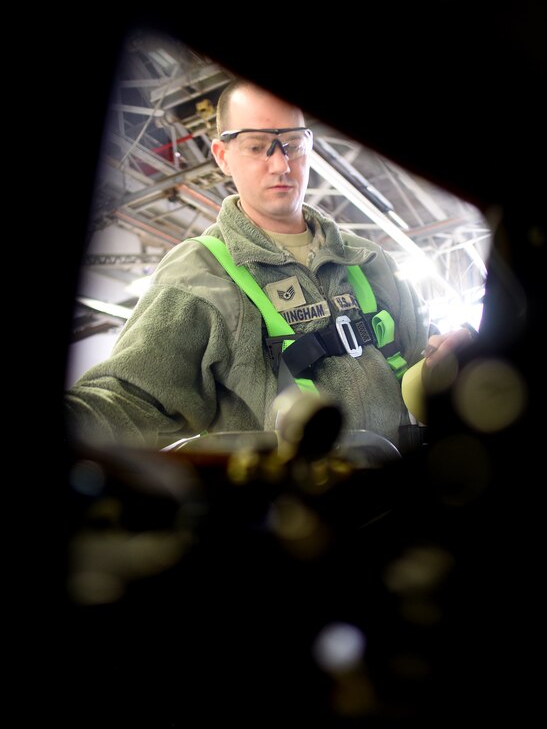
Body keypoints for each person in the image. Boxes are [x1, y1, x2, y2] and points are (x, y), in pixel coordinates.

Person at [65, 79, 474, 451]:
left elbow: (417, 357)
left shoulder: (367, 260)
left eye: (293, 145)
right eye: (258, 146)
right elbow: (126, 398)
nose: (281, 165)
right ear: (223, 156)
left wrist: (447, 360)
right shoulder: (201, 275)